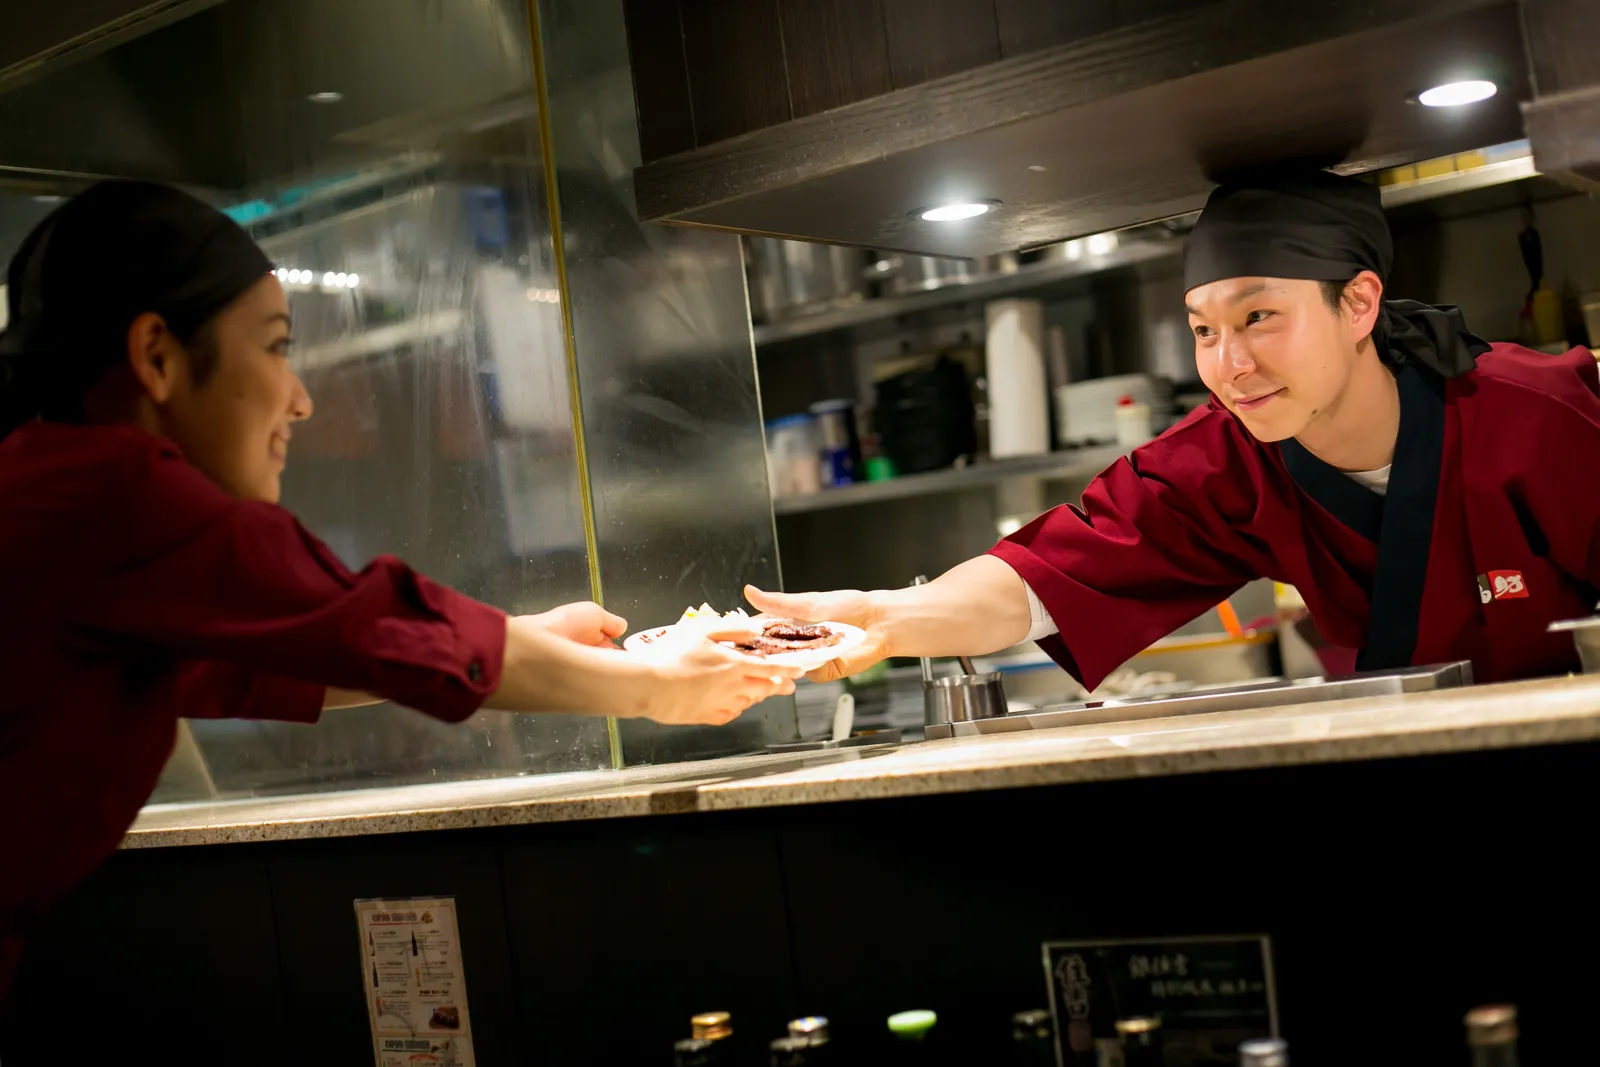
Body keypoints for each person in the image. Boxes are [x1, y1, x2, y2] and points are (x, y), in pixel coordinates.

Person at [0, 181, 799, 997]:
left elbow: (272, 661)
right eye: (274, 347)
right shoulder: (120, 494)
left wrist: (524, 638)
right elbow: (360, 623)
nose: (300, 399)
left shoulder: (52, 490)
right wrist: (654, 688)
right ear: (157, 356)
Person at [749, 170, 1600, 689]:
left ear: (1358, 304)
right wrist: (881, 617)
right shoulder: (1228, 458)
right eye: (1203, 330)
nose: (1230, 364)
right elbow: (1049, 574)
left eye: (1258, 316)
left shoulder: (1534, 413)